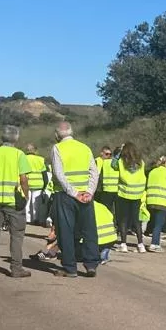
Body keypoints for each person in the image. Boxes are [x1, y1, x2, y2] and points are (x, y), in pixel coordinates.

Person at [48, 119, 99, 277]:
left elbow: (59, 173)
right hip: (86, 196)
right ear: (72, 132)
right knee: (89, 230)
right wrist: (89, 192)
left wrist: (73, 192)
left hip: (66, 196)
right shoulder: (85, 148)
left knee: (66, 231)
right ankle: (91, 264)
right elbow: (94, 172)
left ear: (57, 134)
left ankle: (70, 267)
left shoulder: (57, 148)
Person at [0, 125, 31, 278]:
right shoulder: (18, 154)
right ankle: (16, 268)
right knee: (16, 235)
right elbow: (23, 179)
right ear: (16, 138)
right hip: (13, 201)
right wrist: (26, 196)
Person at [112, 142, 147, 252]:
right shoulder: (141, 163)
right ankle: (141, 244)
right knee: (136, 220)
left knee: (123, 220)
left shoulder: (122, 163)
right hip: (137, 194)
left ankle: (123, 244)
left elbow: (113, 165)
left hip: (124, 193)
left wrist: (118, 153)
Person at [144, 153, 166, 251]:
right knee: (158, 225)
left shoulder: (152, 172)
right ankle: (155, 244)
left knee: (155, 223)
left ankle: (153, 243)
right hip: (163, 202)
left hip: (151, 201)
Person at [91, 199, 118, 265]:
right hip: (112, 238)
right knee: (106, 246)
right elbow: (111, 217)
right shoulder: (102, 206)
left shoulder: (85, 208)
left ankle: (99, 255)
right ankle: (104, 254)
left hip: (98, 240)